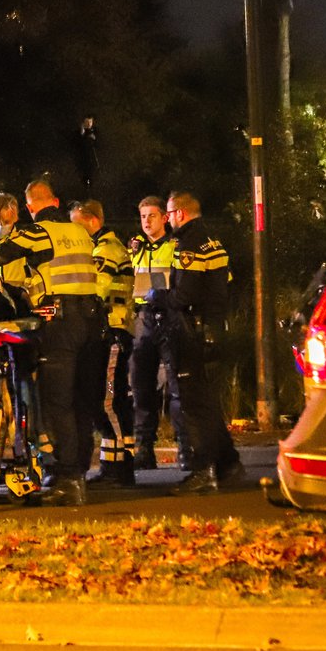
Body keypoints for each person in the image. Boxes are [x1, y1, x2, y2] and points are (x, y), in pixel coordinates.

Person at [0, 178, 104, 506]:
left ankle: (67, 479)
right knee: (80, 400)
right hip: (90, 320)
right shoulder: (79, 232)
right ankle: (76, 473)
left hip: (60, 321)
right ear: (56, 201)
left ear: (28, 207)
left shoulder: (38, 232)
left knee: (58, 401)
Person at [154, 191, 243, 495]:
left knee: (192, 404)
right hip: (213, 329)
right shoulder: (212, 239)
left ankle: (203, 470)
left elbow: (184, 295)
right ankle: (228, 463)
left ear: (179, 213)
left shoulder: (188, 244)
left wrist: (158, 297)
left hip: (191, 332)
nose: (167, 220)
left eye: (168, 214)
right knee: (207, 402)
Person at [70, 199, 136, 487]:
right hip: (110, 332)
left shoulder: (105, 250)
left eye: (77, 225)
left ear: (93, 221)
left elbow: (94, 288)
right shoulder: (104, 247)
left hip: (113, 332)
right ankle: (111, 464)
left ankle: (122, 468)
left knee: (110, 401)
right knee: (104, 400)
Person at [127, 196, 182, 469]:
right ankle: (144, 449)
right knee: (141, 386)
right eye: (143, 217)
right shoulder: (136, 250)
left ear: (164, 218)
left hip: (170, 318)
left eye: (152, 216)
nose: (147, 222)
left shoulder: (175, 248)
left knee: (176, 384)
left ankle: (184, 446)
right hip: (143, 319)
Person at [75, 117, 99, 190]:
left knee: (92, 169)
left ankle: (90, 184)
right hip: (82, 155)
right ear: (83, 123)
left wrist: (94, 139)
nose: (89, 124)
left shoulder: (93, 131)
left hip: (91, 155)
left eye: (90, 122)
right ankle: (85, 183)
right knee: (84, 170)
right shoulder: (80, 132)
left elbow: (97, 143)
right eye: (87, 122)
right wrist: (82, 134)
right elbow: (78, 143)